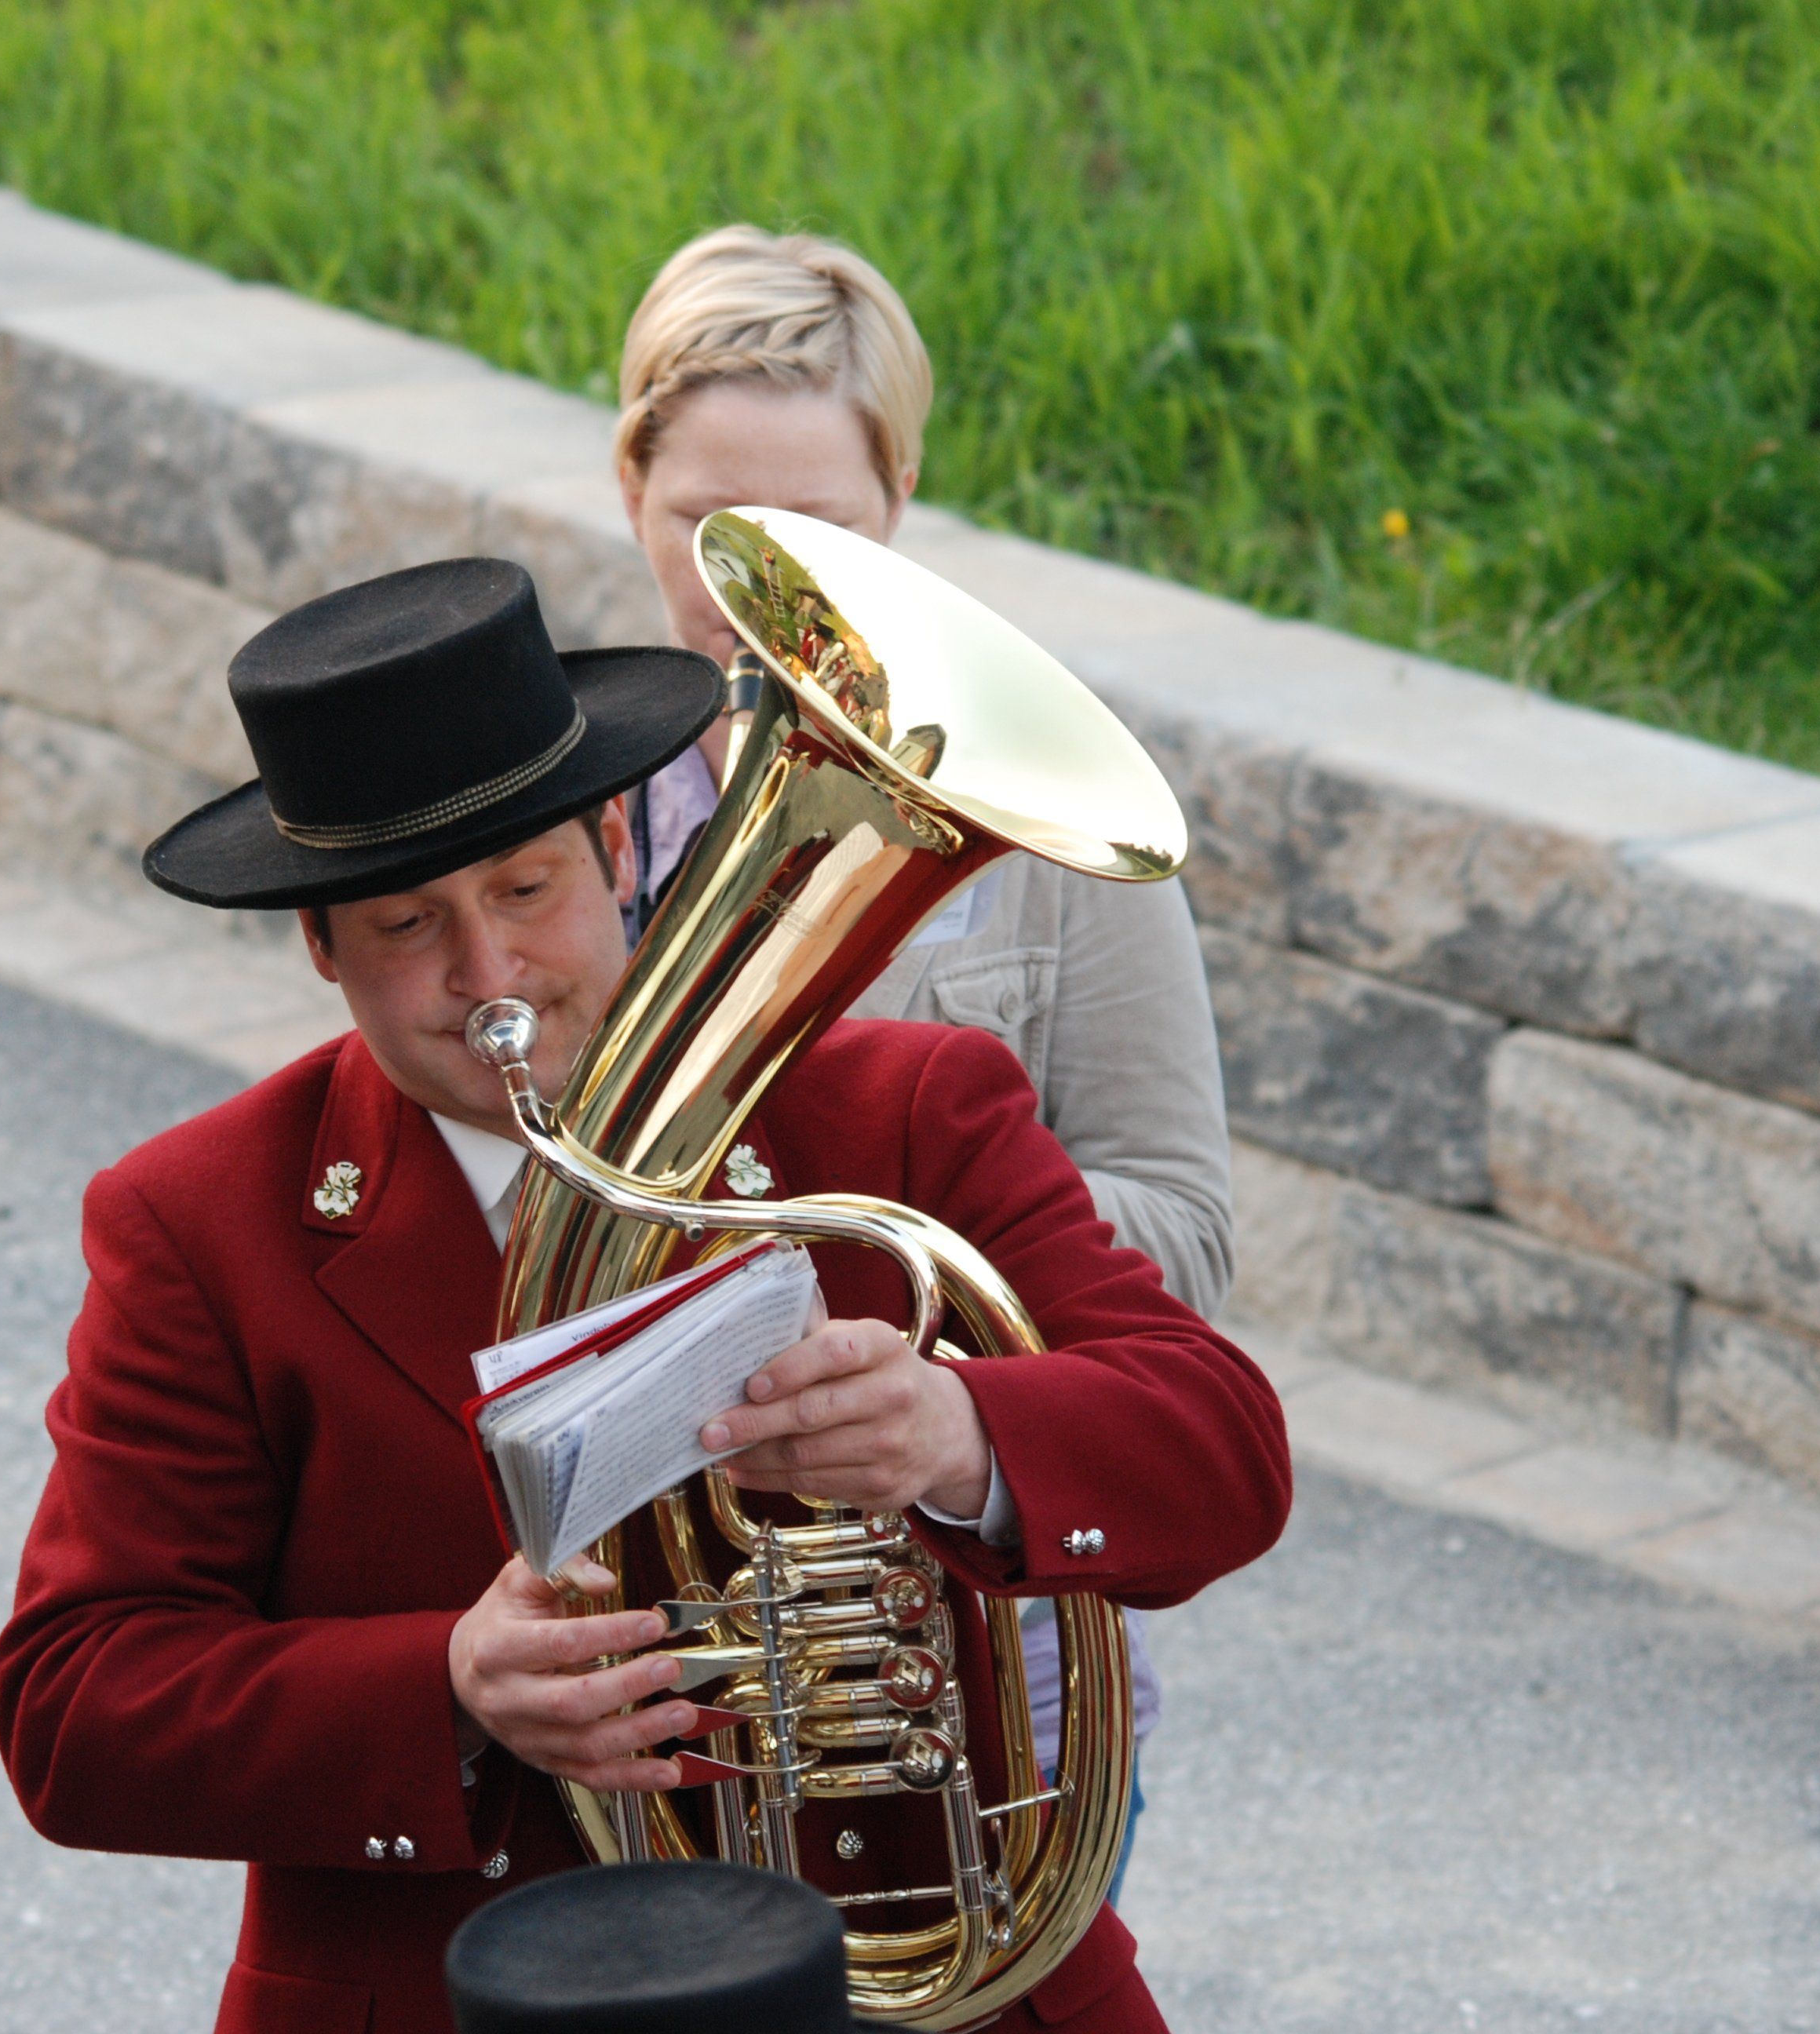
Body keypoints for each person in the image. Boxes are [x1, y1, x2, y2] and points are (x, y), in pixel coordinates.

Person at [0, 556, 1290, 2034]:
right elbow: (74, 1708)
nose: (490, 972)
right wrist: (448, 1687)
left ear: (615, 847)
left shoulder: (899, 1107)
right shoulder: (201, 1221)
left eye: (526, 889)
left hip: (923, 1963)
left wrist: (959, 1433)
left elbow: (1229, 1452)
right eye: (407, 926)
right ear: (320, 945)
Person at [614, 226, 1241, 1864]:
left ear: (899, 498)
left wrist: (886, 1257)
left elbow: (1184, 1231)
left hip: (976, 1666)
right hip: (650, 1652)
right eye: (710, 526)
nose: (766, 592)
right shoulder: (558, 815)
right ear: (629, 490)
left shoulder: (1041, 809)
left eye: (822, 530)